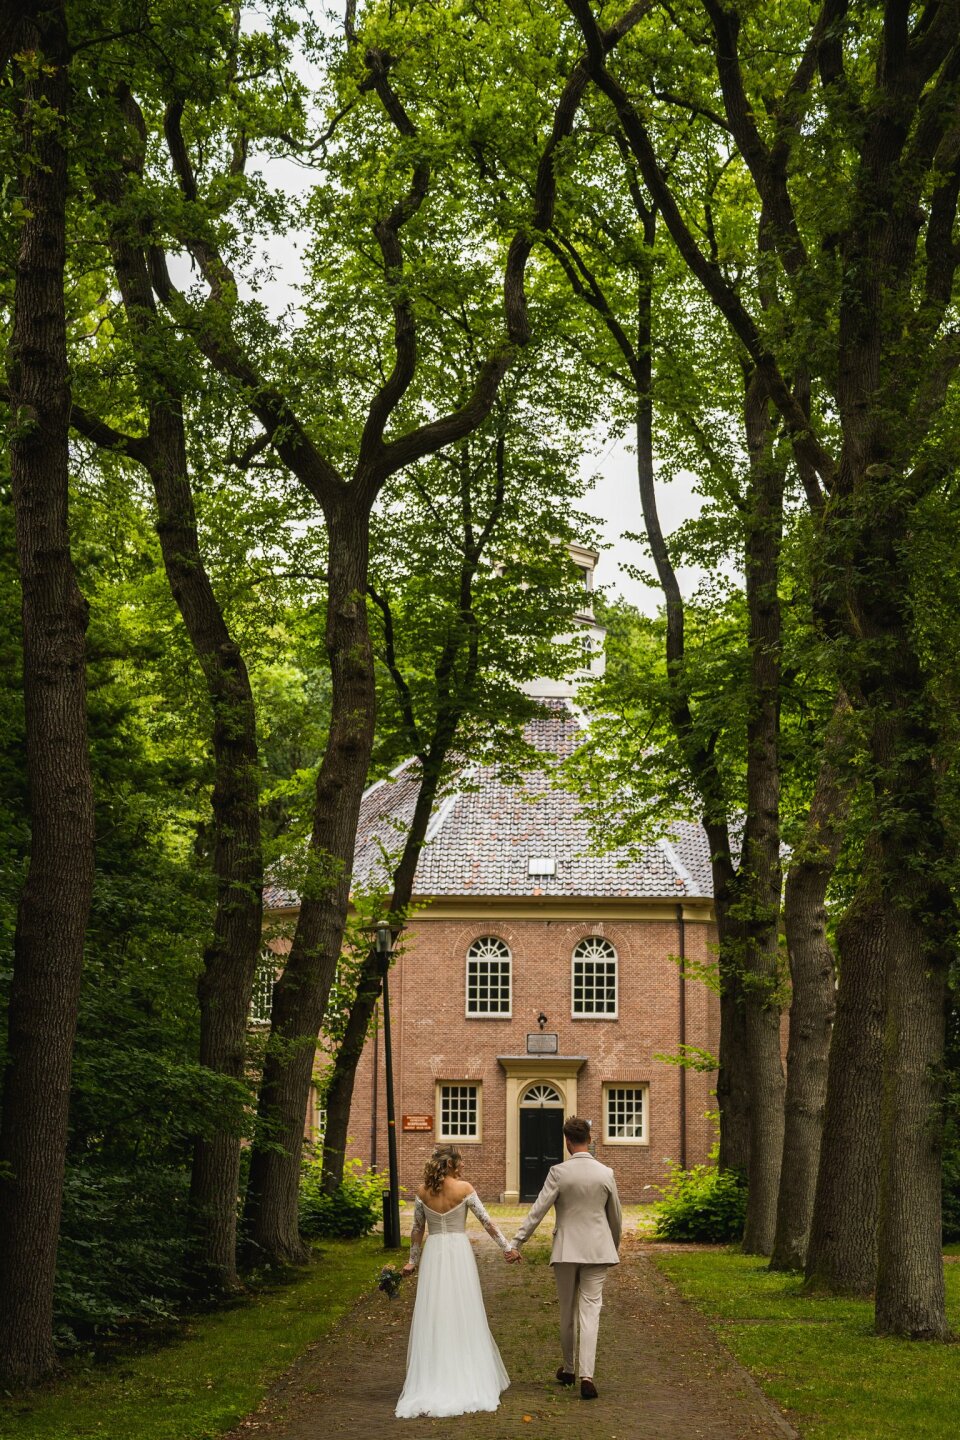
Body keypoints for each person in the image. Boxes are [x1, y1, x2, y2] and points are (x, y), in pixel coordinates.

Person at [396, 1144, 516, 1419]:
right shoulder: (464, 1189)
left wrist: (412, 1261)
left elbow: (417, 1229)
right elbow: (487, 1222)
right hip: (458, 1253)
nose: (462, 1167)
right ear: (450, 1165)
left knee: (436, 1313)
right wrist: (507, 1247)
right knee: (464, 1311)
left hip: (435, 1254)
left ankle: (434, 1374)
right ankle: (466, 1372)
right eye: (459, 1163)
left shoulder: (423, 1192)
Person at [506, 1115, 621, 1401]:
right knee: (591, 1312)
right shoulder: (606, 1173)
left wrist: (517, 1241)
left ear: (567, 1141)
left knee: (567, 1312)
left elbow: (538, 1210)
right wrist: (612, 1247)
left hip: (567, 1250)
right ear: (590, 1140)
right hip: (598, 1249)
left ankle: (569, 1369)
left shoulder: (559, 1173)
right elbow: (615, 1217)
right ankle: (587, 1376)